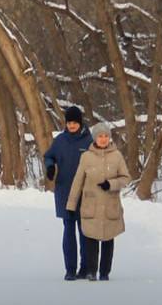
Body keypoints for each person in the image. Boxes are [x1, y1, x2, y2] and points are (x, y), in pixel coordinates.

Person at [66, 122, 130, 281]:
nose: (103, 139)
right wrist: (71, 205)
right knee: (90, 239)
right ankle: (91, 271)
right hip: (90, 206)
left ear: (109, 138)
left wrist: (111, 184)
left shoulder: (117, 156)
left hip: (110, 205)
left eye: (106, 136)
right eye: (100, 136)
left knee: (108, 240)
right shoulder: (86, 157)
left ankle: (105, 272)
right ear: (95, 138)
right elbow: (77, 182)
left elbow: (126, 178)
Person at [43, 105, 92, 280]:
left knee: (85, 231)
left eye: (74, 123)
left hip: (85, 193)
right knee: (68, 230)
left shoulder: (89, 141)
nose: (71, 126)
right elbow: (49, 155)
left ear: (80, 123)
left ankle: (85, 268)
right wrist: (50, 167)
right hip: (64, 190)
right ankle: (70, 269)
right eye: (69, 123)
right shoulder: (60, 140)